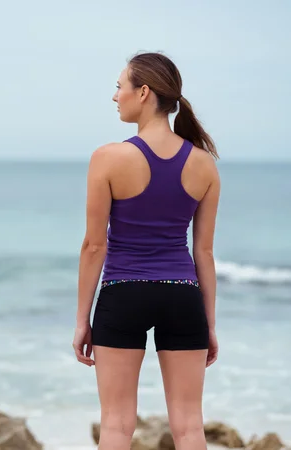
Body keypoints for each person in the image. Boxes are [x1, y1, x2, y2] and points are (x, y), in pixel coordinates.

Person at [73, 52, 220, 450]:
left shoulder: (108, 158)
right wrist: (208, 322)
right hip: (182, 296)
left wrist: (82, 319)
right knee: (190, 427)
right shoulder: (205, 165)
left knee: (117, 426)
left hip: (124, 295)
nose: (115, 96)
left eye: (119, 87)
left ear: (143, 92)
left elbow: (93, 246)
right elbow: (203, 253)